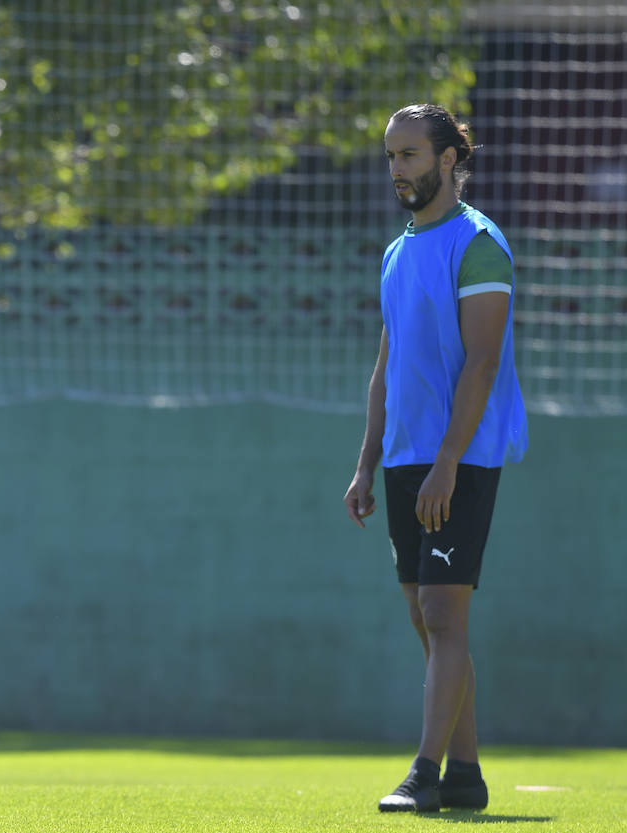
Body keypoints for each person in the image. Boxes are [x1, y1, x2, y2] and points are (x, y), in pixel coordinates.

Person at [344, 103, 527, 813]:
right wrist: (366, 463)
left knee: (445, 617)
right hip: (402, 460)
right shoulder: (396, 251)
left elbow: (482, 362)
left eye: (410, 155)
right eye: (390, 155)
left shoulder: (480, 244)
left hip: (462, 457)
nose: (397, 168)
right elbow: (387, 362)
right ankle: (468, 772)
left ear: (449, 159)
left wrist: (448, 461)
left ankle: (423, 771)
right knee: (429, 622)